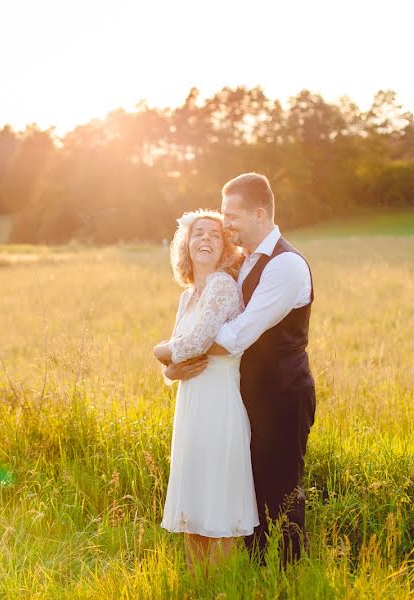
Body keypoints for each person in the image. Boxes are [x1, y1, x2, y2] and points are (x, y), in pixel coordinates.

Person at [165, 173, 316, 566]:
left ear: (259, 213)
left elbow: (235, 336)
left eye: (231, 216)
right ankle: (251, 575)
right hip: (244, 391)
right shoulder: (244, 262)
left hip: (282, 394)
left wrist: (166, 352)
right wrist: (176, 367)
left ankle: (287, 578)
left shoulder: (286, 266)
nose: (225, 224)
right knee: (248, 488)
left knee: (281, 488)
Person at [152, 209, 257, 574]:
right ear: (186, 244)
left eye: (215, 234)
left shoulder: (222, 286)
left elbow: (196, 342)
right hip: (191, 404)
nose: (206, 240)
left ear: (226, 246)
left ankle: (223, 585)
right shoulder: (187, 297)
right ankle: (198, 584)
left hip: (218, 403)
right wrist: (169, 369)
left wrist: (158, 352)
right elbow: (181, 360)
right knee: (194, 504)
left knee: (218, 502)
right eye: (198, 234)